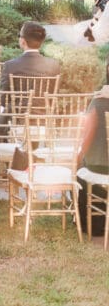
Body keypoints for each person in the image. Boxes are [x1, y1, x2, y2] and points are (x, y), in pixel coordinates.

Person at [78, 57, 109, 236]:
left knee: (82, 168)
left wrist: (78, 157)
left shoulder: (98, 102)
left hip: (100, 168)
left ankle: (94, 224)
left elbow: (86, 138)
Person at [0, 21, 60, 91]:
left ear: (23, 41)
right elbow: (54, 95)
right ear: (42, 41)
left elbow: (4, 97)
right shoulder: (53, 65)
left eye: (19, 35)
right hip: (45, 102)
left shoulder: (10, 66)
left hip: (18, 102)